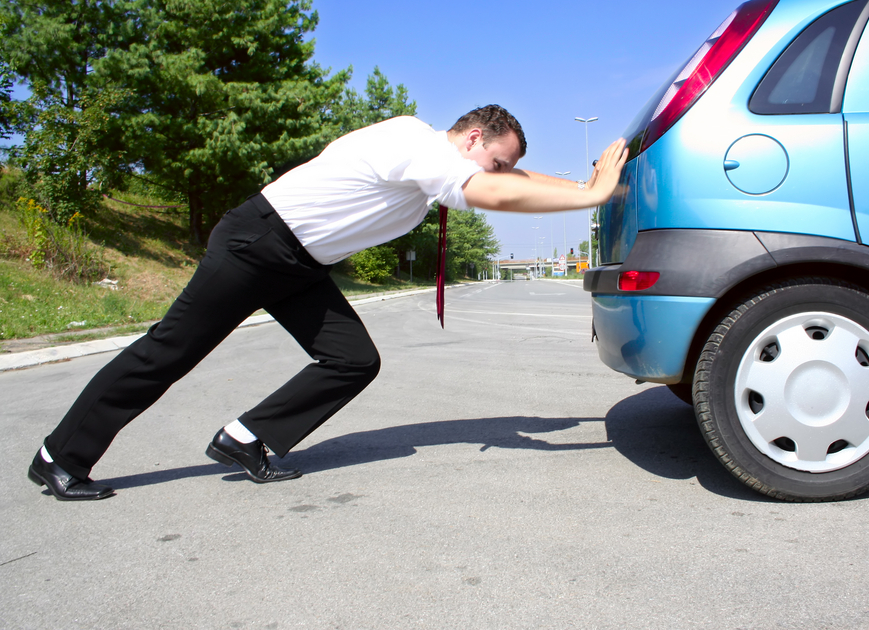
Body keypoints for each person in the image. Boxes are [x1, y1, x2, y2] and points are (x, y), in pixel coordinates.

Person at [28, 104, 628, 501]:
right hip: (256, 243)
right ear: (474, 137)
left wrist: (588, 188)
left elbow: (512, 181)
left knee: (351, 359)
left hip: (298, 264)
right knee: (170, 352)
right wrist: (590, 194)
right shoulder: (415, 143)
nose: (502, 170)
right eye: (497, 158)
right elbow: (495, 190)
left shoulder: (438, 165)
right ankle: (59, 455)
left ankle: (245, 437)